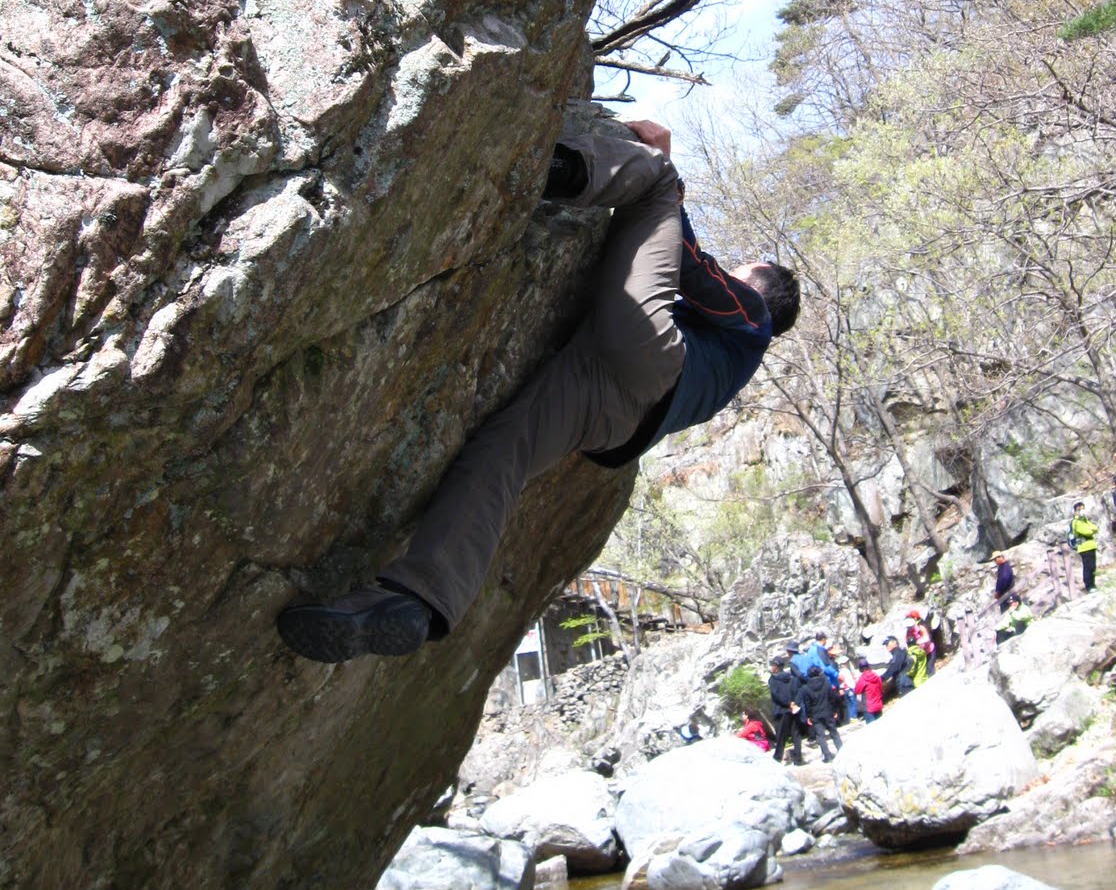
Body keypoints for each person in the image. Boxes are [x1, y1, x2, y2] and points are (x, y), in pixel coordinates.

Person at [276, 121, 800, 663]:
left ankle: (542, 163)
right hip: (614, 414)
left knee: (659, 178)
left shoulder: (753, 316)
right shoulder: (730, 371)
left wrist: (666, 179)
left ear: (759, 287)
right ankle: (414, 598)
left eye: (744, 270)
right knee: (503, 452)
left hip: (651, 356)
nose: (733, 271)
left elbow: (692, 264)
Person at [799, 664, 843, 762]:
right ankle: (841, 750)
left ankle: (827, 756)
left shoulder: (805, 688)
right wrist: (835, 710)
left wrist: (808, 716)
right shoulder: (826, 683)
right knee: (834, 732)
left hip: (815, 714)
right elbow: (832, 698)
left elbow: (807, 704)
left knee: (820, 735)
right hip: (828, 711)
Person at [769, 655, 807, 765]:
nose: (771, 667)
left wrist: (787, 703)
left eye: (772, 665)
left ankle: (777, 758)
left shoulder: (773, 680)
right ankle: (798, 759)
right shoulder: (792, 678)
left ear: (776, 667)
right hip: (794, 710)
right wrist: (795, 703)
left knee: (781, 736)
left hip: (782, 711)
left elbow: (776, 695)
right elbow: (799, 692)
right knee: (796, 734)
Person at [1069, 500, 1099, 592]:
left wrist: (1090, 529)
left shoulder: (1084, 520)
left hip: (1091, 546)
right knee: (1088, 567)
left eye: (1083, 508)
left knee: (1093, 567)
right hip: (1084, 547)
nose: (1082, 510)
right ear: (1076, 511)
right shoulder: (1076, 522)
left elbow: (1095, 528)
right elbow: (1087, 532)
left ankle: (1093, 584)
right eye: (1080, 509)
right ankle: (1089, 586)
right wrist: (1090, 530)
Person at [906, 608, 936, 677]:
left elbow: (927, 638)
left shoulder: (921, 626)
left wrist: (916, 642)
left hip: (929, 651)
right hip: (920, 654)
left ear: (915, 618)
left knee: (930, 669)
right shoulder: (909, 630)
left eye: (910, 617)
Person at [853, 657, 883, 722]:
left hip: (869, 707)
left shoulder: (862, 679)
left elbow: (857, 691)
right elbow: (881, 688)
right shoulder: (876, 676)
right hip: (878, 704)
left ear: (860, 668)